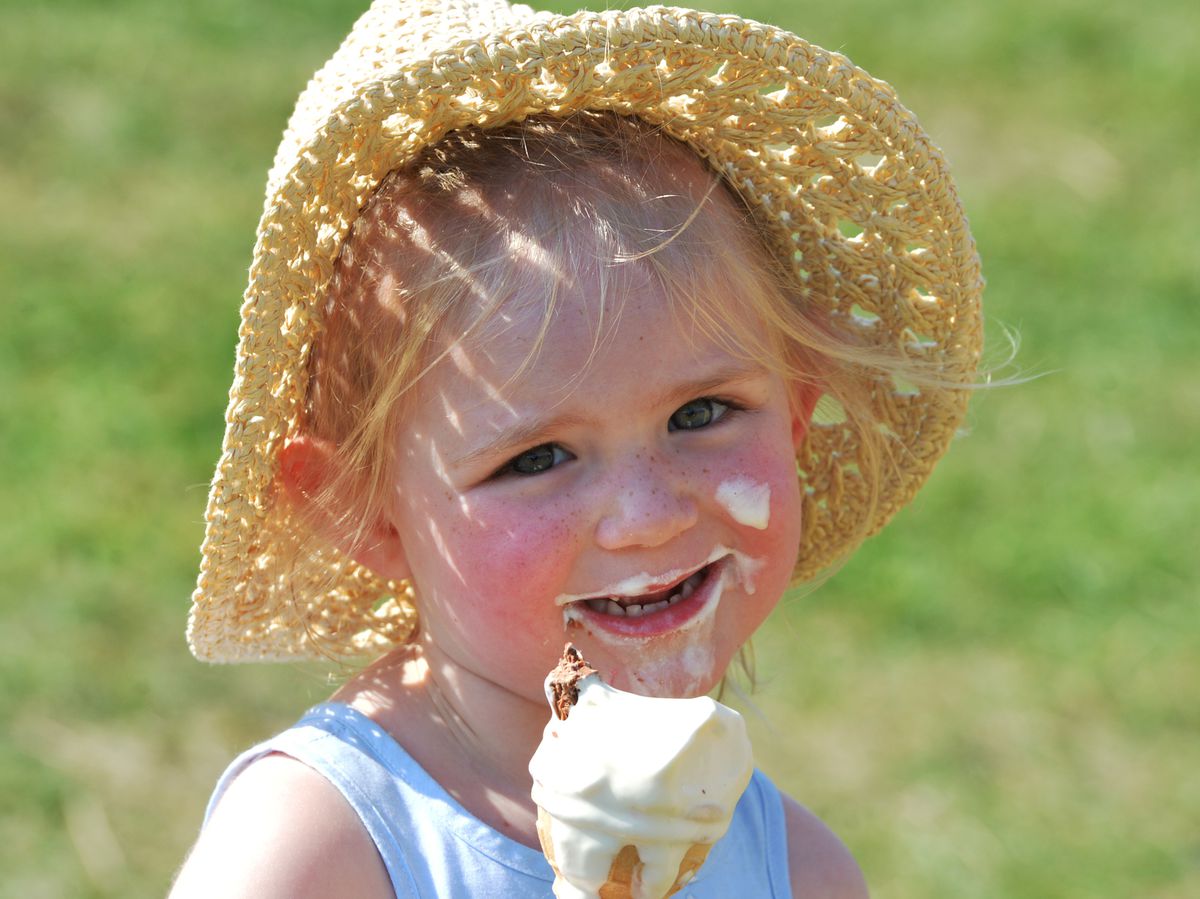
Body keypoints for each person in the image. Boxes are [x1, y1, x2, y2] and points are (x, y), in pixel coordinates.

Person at [170, 1, 984, 896]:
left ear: (796, 411)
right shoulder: (316, 846)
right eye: (536, 458)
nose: (646, 516)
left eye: (703, 412)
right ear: (360, 509)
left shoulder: (797, 866)